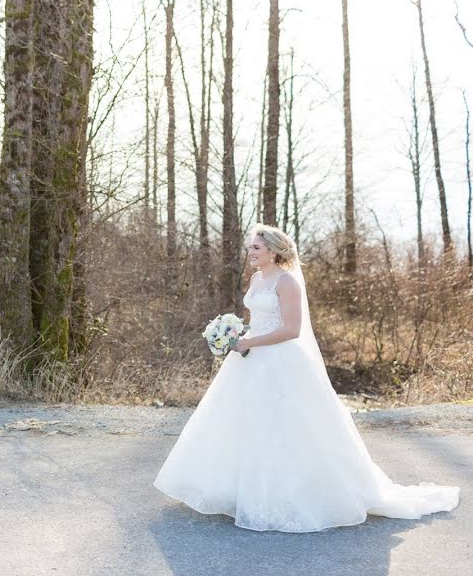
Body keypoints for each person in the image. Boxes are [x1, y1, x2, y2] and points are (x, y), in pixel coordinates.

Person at [153, 224, 459, 532]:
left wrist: (250, 342)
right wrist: (236, 335)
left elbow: (291, 330)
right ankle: (236, 490)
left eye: (256, 248)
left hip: (279, 361)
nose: (251, 252)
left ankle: (290, 494)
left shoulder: (287, 283)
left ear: (273, 251)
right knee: (242, 423)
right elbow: (257, 320)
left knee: (284, 427)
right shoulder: (257, 278)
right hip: (248, 359)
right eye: (251, 247)